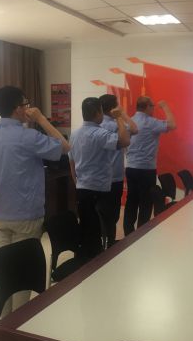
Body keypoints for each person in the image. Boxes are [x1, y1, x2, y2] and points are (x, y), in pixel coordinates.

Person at [0, 86, 70, 244]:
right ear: (18, 109)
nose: (28, 108)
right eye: (26, 104)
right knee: (26, 258)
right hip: (26, 215)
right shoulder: (29, 136)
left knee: (5, 258)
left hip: (0, 214)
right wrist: (41, 119)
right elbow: (65, 147)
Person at [69, 98, 130, 258]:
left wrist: (76, 181)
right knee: (105, 225)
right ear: (98, 113)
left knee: (87, 226)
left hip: (82, 188)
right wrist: (118, 117)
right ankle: (104, 256)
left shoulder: (74, 134)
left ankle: (88, 259)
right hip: (100, 189)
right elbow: (125, 140)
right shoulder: (100, 134)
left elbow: (71, 161)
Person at [124, 97, 176, 235]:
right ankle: (141, 234)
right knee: (146, 203)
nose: (153, 108)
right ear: (147, 107)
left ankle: (128, 234)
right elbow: (172, 125)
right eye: (152, 106)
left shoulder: (129, 121)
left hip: (130, 167)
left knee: (131, 201)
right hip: (146, 169)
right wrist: (165, 106)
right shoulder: (150, 122)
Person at [99, 94, 138, 247]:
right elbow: (134, 128)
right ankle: (110, 246)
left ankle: (104, 243)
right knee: (113, 215)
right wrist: (121, 114)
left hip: (100, 177)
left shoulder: (97, 126)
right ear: (113, 108)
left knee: (102, 214)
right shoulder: (114, 125)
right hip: (114, 177)